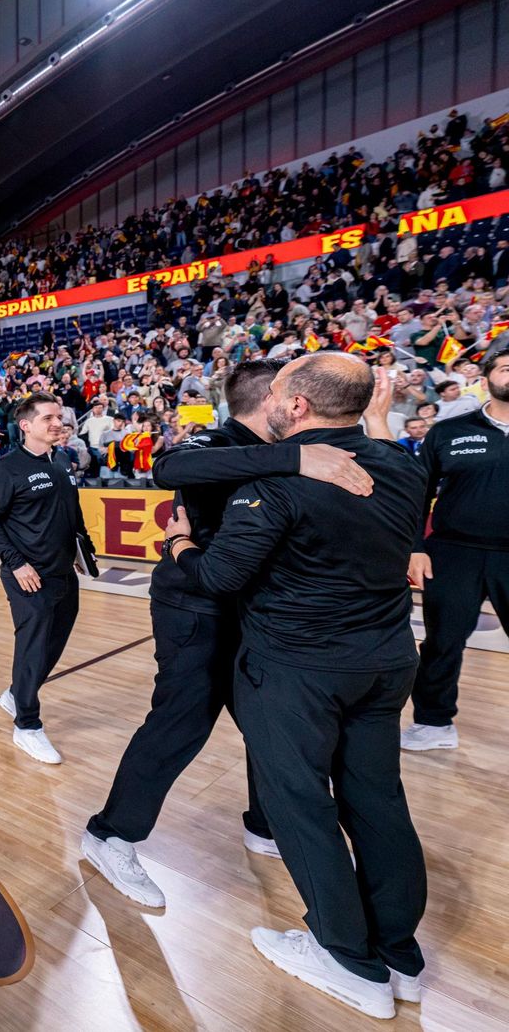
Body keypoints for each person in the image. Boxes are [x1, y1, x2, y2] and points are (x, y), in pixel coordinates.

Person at [165, 352, 428, 1019]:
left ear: (298, 407)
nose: (269, 401)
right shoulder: (404, 466)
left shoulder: (274, 488)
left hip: (297, 671)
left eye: (277, 392)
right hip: (385, 660)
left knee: (300, 805)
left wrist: (179, 546)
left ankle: (347, 957)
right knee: (377, 800)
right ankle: (398, 954)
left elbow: (219, 577)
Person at [81, 361, 377, 907]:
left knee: (267, 726)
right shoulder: (215, 440)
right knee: (182, 722)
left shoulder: (309, 449)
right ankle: (110, 834)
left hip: (260, 611)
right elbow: (168, 466)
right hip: (196, 606)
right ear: (274, 399)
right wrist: (293, 456)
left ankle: (262, 824)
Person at [403, 340, 509, 751]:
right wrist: (415, 547)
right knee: (442, 642)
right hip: (453, 552)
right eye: (504, 368)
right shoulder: (450, 431)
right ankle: (433, 723)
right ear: (486, 379)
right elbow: (417, 494)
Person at [0, 394, 93, 765]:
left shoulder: (62, 460)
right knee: (33, 646)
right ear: (26, 425)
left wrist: (83, 549)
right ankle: (27, 725)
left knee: (54, 644)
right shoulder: (6, 469)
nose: (58, 423)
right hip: (27, 575)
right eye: (49, 418)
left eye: (59, 417)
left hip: (63, 572)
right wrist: (16, 563)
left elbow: (72, 510)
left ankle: (16, 694)